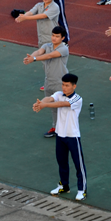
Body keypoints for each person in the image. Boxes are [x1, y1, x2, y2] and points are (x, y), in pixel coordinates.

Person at [33, 73, 87, 201]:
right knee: (62, 162)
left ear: (74, 86)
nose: (64, 88)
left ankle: (82, 189)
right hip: (60, 135)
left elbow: (62, 105)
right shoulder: (59, 94)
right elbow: (50, 99)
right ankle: (64, 185)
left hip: (72, 136)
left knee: (78, 164)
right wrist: (41, 103)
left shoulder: (77, 99)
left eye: (67, 85)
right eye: (63, 85)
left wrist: (44, 105)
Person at [25, 26, 69, 139]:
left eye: (57, 36)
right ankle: (55, 127)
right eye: (53, 35)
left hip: (60, 82)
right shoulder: (47, 46)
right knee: (53, 107)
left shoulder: (63, 49)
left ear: (63, 38)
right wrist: (32, 56)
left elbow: (49, 55)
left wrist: (34, 59)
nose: (54, 38)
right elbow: (40, 51)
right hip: (48, 81)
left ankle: (65, 129)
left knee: (62, 107)